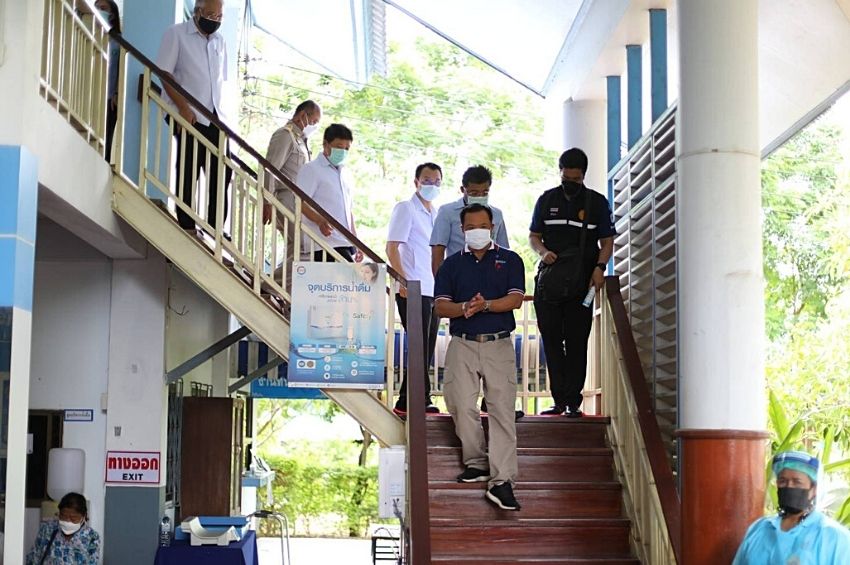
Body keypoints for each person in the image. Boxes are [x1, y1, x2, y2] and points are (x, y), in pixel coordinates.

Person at [434, 204, 525, 511]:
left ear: (492, 227)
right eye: (471, 227)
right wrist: (464, 308)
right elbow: (440, 306)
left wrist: (485, 305)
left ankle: (502, 481)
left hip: (499, 344)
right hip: (462, 343)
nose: (477, 231)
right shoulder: (451, 265)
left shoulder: (510, 260)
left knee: (502, 411)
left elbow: (516, 299)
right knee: (460, 404)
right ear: (462, 230)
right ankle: (476, 461)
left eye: (483, 226)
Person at [529, 148, 615, 417]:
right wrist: (543, 252)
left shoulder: (596, 203)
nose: (570, 183)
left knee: (577, 342)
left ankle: (572, 402)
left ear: (583, 176)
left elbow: (607, 241)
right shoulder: (546, 200)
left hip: (582, 286)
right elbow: (534, 236)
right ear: (560, 173)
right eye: (566, 178)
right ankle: (558, 400)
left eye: (575, 179)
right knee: (552, 342)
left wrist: (600, 268)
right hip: (550, 286)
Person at [156, 0, 232, 233]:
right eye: (210, 14)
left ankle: (215, 228)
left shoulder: (220, 41)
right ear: (198, 11)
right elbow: (164, 73)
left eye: (219, 17)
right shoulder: (177, 34)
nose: (215, 20)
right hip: (189, 115)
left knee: (222, 173)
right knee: (189, 168)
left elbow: (220, 82)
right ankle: (187, 222)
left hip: (216, 116)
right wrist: (183, 107)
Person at [386, 162, 443, 416]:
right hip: (412, 287)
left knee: (427, 347)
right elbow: (392, 247)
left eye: (436, 181)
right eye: (427, 180)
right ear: (416, 182)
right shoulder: (406, 208)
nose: (432, 185)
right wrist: (402, 280)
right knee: (418, 345)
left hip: (433, 289)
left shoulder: (436, 214)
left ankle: (406, 400)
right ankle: (421, 398)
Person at [732, 451, 850, 564]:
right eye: (783, 481)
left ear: (813, 489)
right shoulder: (759, 529)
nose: (789, 486)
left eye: (797, 482)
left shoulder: (834, 537)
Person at [262, 100, 322, 291]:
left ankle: (283, 291)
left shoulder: (301, 140)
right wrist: (267, 200)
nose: (315, 126)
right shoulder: (285, 135)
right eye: (314, 121)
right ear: (303, 115)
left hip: (299, 201)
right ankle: (269, 285)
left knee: (295, 248)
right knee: (303, 248)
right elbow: (270, 168)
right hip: (285, 197)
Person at [296, 123, 362, 262]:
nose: (343, 151)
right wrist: (319, 220)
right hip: (323, 243)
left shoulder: (345, 174)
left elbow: (348, 212)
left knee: (354, 274)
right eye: (339, 147)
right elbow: (300, 202)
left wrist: (357, 242)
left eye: (346, 148)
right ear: (326, 144)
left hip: (345, 242)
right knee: (353, 274)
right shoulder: (312, 169)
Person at [430, 165, 510, 276]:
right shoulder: (447, 212)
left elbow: (504, 251)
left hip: (490, 275)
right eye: (474, 193)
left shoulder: (497, 214)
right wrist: (440, 282)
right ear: (463, 190)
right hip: (457, 275)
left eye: (485, 193)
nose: (480, 197)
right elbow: (438, 252)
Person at [26, 492, 100, 564]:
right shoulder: (48, 529)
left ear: (83, 516)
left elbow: (93, 562)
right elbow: (33, 558)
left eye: (73, 518)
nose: (67, 520)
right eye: (63, 516)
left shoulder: (91, 537)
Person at [95, 0, 120, 163]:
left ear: (112, 14)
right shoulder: (87, 33)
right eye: (97, 8)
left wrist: (117, 91)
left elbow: (120, 68)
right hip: (90, 92)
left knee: (107, 133)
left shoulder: (118, 41)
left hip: (109, 96)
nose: (99, 11)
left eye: (103, 9)